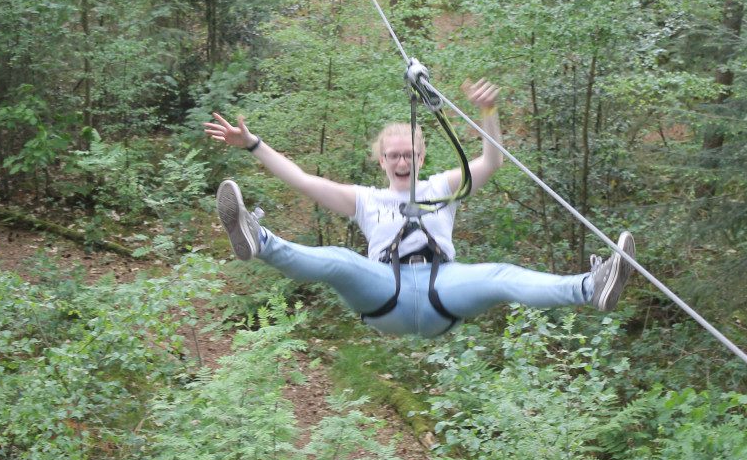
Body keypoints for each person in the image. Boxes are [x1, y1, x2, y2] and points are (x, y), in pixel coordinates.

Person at [204, 79, 635, 337]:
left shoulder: (440, 186)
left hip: (442, 291)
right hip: (383, 294)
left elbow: (491, 162)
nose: (401, 161)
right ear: (381, 160)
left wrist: (488, 111)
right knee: (337, 260)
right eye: (393, 155)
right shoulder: (365, 200)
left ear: (421, 157)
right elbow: (302, 180)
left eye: (409, 154)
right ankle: (257, 239)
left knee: (503, 276)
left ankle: (590, 288)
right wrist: (253, 145)